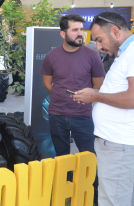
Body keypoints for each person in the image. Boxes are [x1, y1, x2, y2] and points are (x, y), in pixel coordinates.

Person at [40, 14, 105, 204]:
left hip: (83, 116)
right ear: (63, 33)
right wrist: (61, 96)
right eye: (74, 30)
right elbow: (48, 83)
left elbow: (98, 87)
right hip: (57, 115)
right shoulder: (52, 56)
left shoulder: (92, 56)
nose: (80, 34)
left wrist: (83, 98)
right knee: (62, 157)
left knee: (89, 158)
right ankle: (66, 193)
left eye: (81, 30)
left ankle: (92, 196)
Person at [72, 12, 134, 206]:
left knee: (113, 200)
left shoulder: (132, 52)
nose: (98, 47)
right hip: (115, 143)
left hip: (119, 144)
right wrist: (95, 94)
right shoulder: (125, 53)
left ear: (115, 31)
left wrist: (96, 96)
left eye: (100, 40)